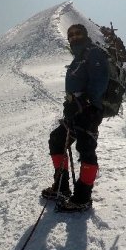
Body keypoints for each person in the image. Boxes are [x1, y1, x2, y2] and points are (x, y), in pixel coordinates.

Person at [41, 23, 109, 212]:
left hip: (89, 112)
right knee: (57, 140)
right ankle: (61, 187)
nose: (74, 37)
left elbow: (99, 82)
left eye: (78, 34)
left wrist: (83, 103)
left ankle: (82, 197)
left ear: (85, 35)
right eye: (70, 35)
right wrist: (70, 103)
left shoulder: (93, 53)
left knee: (86, 150)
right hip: (75, 112)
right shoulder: (78, 58)